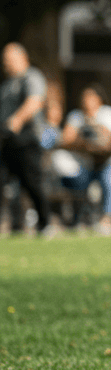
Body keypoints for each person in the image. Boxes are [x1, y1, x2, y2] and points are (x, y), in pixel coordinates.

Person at [58, 83, 111, 236]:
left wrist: (96, 127)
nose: (87, 101)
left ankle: (107, 220)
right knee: (74, 177)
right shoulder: (76, 116)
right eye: (84, 97)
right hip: (86, 164)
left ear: (99, 99)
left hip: (110, 161)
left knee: (110, 178)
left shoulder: (108, 114)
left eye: (91, 97)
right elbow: (65, 139)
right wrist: (82, 137)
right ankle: (77, 220)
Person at [1, 42, 54, 237]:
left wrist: (17, 119)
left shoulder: (32, 77)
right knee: (5, 185)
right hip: (7, 141)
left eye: (9, 59)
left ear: (22, 58)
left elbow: (35, 101)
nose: (5, 64)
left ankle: (45, 224)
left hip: (28, 140)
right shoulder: (7, 84)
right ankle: (15, 225)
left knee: (32, 183)